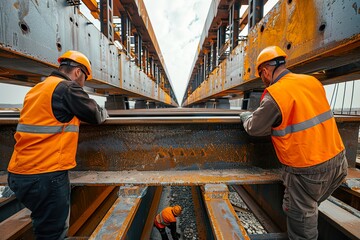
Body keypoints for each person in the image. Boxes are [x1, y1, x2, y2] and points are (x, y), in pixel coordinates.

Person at [240, 46, 348, 240]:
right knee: (302, 205)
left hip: (308, 172)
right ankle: (302, 211)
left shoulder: (276, 94)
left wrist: (246, 116)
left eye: (261, 75)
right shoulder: (311, 81)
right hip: (339, 162)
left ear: (265, 71)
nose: (263, 80)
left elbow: (254, 128)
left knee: (302, 225)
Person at [7, 50, 108, 240]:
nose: (83, 83)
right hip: (45, 175)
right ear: (78, 72)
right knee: (53, 234)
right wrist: (104, 113)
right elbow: (94, 114)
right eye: (84, 78)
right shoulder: (67, 88)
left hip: (18, 174)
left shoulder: (38, 89)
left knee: (43, 224)